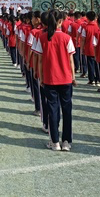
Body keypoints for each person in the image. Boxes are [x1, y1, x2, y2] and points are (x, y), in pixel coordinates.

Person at [33, 10, 76, 152]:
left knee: (53, 110)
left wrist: (41, 76)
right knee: (67, 110)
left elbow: (39, 60)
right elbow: (71, 60)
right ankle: (66, 141)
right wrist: (73, 77)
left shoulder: (43, 38)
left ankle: (54, 141)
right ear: (60, 22)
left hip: (50, 79)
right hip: (65, 79)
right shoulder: (66, 38)